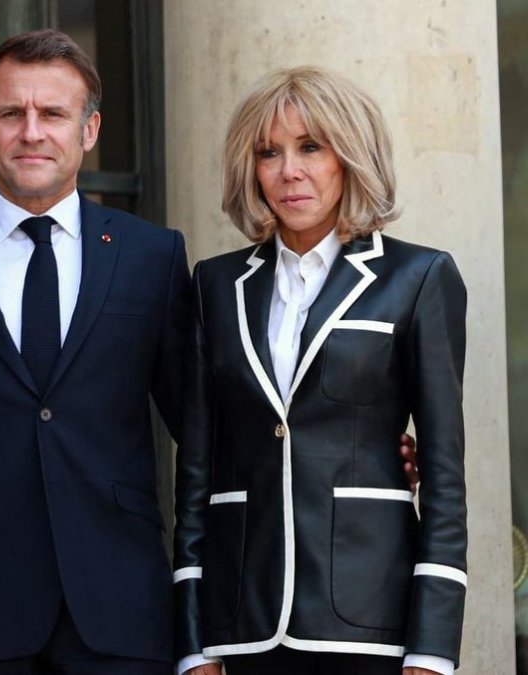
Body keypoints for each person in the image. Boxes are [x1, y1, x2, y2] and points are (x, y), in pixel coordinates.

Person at [0, 30, 186, 674]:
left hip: (123, 609)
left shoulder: (152, 257)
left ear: (89, 130)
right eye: (10, 113)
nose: (31, 131)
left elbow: (207, 427)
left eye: (52, 113)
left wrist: (364, 443)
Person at [172, 66, 467, 675]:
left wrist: (432, 651)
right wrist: (194, 641)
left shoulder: (419, 278)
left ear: (350, 157)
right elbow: (197, 468)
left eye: (311, 147)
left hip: (368, 621)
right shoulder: (216, 284)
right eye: (268, 153)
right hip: (243, 623)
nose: (289, 171)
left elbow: (444, 478)